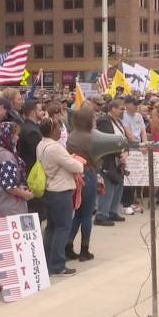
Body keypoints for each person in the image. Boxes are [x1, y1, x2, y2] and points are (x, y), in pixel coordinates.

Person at [0, 122, 34, 290]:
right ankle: (7, 279)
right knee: (9, 244)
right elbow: (9, 186)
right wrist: (26, 195)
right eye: (15, 134)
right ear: (8, 135)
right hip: (8, 205)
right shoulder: (7, 157)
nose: (17, 137)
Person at [37, 117, 84, 276]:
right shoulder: (54, 148)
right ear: (51, 130)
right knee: (62, 227)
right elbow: (76, 166)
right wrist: (78, 161)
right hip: (61, 191)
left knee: (51, 227)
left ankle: (48, 261)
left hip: (50, 189)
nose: (61, 130)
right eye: (58, 128)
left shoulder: (41, 144)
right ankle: (57, 265)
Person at [66, 105, 98, 261]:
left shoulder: (72, 135)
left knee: (77, 213)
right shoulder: (90, 137)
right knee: (87, 214)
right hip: (88, 173)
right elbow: (96, 158)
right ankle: (85, 249)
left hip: (75, 174)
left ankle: (68, 245)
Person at [94, 99, 127, 224]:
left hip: (119, 159)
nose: (122, 111)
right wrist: (120, 153)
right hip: (108, 159)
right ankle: (102, 215)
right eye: (120, 108)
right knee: (108, 187)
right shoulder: (104, 121)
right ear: (113, 108)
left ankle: (112, 212)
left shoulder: (118, 122)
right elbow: (108, 142)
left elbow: (124, 139)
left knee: (118, 186)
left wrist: (126, 153)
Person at [17, 100, 46, 222]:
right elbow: (39, 154)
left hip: (29, 172)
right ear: (34, 112)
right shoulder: (32, 131)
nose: (43, 112)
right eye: (40, 110)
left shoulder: (30, 127)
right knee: (35, 209)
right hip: (32, 174)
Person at [121, 96, 147, 214]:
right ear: (127, 104)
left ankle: (133, 200)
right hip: (129, 148)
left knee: (137, 175)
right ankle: (126, 202)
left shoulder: (139, 116)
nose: (136, 106)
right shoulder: (124, 116)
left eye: (137, 104)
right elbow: (128, 133)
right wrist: (139, 145)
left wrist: (145, 144)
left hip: (139, 148)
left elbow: (143, 131)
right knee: (128, 176)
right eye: (134, 104)